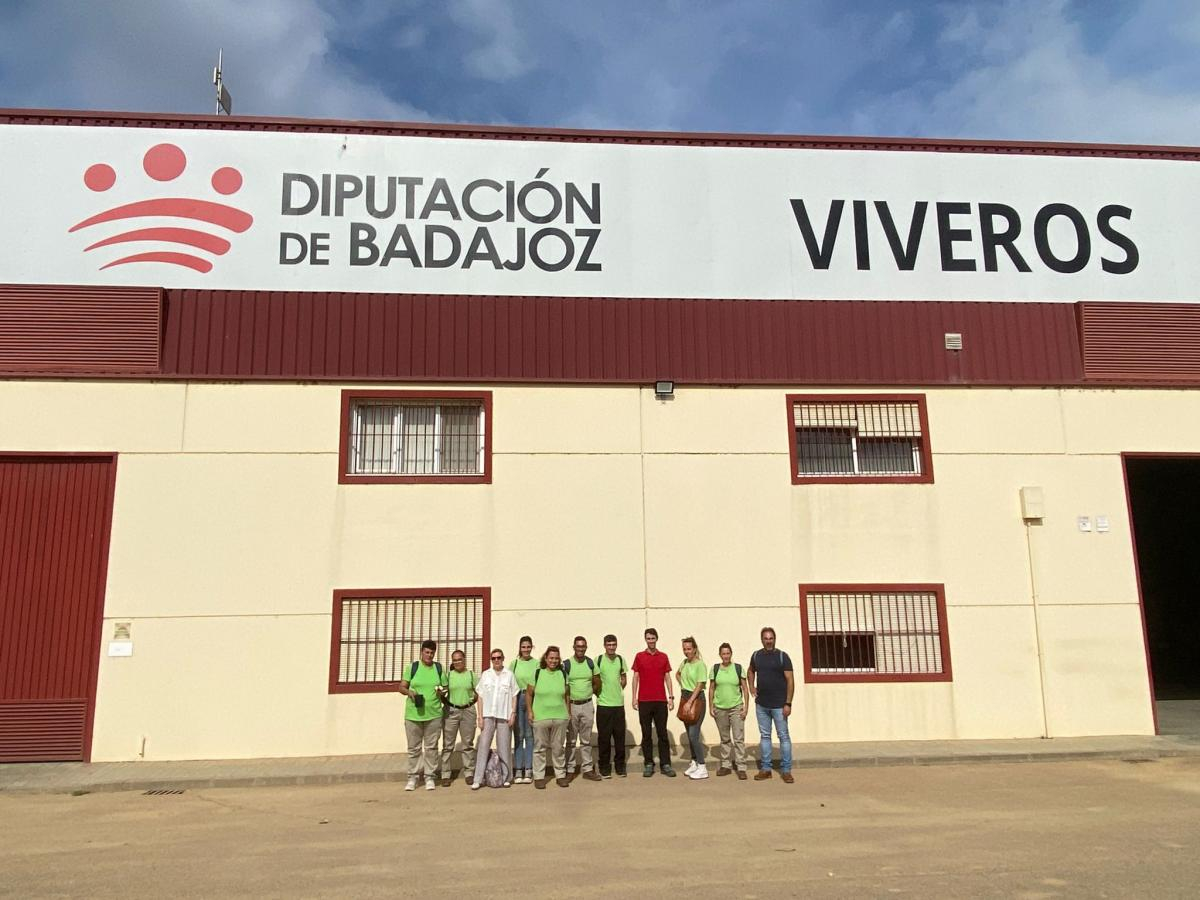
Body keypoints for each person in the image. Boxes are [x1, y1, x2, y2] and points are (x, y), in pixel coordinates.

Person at [747, 627, 795, 783]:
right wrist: (751, 687)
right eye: (766, 638)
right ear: (762, 640)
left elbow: (790, 680)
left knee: (783, 737)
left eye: (771, 638)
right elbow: (750, 671)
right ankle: (766, 769)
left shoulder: (782, 657)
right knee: (765, 736)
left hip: (779, 705)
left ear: (775, 639)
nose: (768, 641)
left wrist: (788, 703)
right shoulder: (756, 656)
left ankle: (786, 771)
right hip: (762, 705)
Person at [399, 639, 448, 792]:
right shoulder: (412, 667)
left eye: (432, 653)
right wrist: (409, 692)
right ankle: (412, 777)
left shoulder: (438, 668)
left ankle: (429, 777)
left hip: (434, 714)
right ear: (422, 652)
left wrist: (441, 692)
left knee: (431, 747)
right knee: (414, 748)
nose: (429, 655)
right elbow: (401, 687)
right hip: (413, 715)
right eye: (427, 652)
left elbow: (445, 687)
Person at [472, 647, 519, 790]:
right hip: (488, 715)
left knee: (504, 746)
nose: (496, 660)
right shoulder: (486, 675)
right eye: (494, 658)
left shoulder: (509, 675)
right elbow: (480, 696)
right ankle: (478, 779)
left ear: (503, 658)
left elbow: (514, 695)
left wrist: (513, 713)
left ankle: (506, 777)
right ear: (491, 660)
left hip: (504, 715)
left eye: (499, 657)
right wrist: (480, 717)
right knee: (483, 746)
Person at [631, 627, 675, 777]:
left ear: (657, 639)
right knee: (646, 734)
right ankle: (648, 763)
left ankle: (665, 764)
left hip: (660, 701)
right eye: (648, 638)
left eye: (653, 638)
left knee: (662, 733)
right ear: (645, 639)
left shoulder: (663, 656)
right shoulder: (639, 656)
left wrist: (671, 697)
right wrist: (634, 697)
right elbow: (635, 677)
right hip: (644, 701)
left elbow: (667, 677)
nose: (650, 641)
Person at [527, 645, 571, 789]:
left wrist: (568, 712)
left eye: (556, 658)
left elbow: (567, 694)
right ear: (545, 658)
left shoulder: (563, 674)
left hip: (560, 716)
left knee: (558, 748)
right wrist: (530, 711)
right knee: (539, 748)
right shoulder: (537, 673)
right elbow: (529, 694)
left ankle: (560, 775)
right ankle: (539, 777)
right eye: (551, 658)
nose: (554, 661)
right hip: (541, 717)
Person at [709, 642, 750, 780]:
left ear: (731, 654)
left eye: (728, 653)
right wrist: (711, 706)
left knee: (738, 739)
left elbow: (745, 688)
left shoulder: (738, 668)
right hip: (720, 708)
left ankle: (741, 767)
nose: (726, 656)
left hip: (736, 707)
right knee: (725, 738)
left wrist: (746, 707)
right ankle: (725, 765)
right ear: (720, 655)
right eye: (723, 653)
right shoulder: (715, 669)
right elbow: (711, 688)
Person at [564, 635, 602, 781]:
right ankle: (570, 769)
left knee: (586, 740)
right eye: (578, 646)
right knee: (571, 741)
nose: (581, 649)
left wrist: (590, 692)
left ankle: (587, 769)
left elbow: (597, 681)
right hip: (572, 706)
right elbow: (564, 687)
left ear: (586, 647)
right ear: (574, 647)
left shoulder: (590, 663)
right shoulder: (567, 664)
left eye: (583, 646)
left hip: (587, 705)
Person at [438, 649, 478, 786]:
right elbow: (443, 693)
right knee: (448, 745)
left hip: (468, 711)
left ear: (464, 659)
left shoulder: (471, 675)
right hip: (451, 711)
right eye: (454, 660)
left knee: (468, 744)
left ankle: (469, 773)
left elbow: (478, 693)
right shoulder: (448, 675)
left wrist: (471, 703)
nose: (457, 662)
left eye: (459, 659)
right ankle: (445, 774)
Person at [594, 633, 628, 778]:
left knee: (620, 738)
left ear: (616, 645)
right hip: (603, 705)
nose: (611, 647)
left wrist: (619, 689)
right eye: (609, 645)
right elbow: (594, 679)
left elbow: (624, 678)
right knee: (604, 738)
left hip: (618, 705)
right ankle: (604, 766)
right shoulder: (598, 660)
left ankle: (620, 766)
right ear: (604, 646)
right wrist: (598, 693)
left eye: (613, 645)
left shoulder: (620, 659)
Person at [676, 636, 709, 780]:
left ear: (694, 649)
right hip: (685, 697)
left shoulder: (700, 664)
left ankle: (702, 767)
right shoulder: (684, 663)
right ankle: (694, 762)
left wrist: (690, 701)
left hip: (696, 700)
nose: (686, 651)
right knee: (690, 734)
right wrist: (683, 685)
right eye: (684, 649)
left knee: (694, 734)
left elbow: (700, 684)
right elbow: (677, 674)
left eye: (689, 649)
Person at [509, 636, 537, 784]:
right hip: (518, 697)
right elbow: (509, 683)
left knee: (529, 735)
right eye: (523, 647)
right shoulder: (514, 664)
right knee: (519, 735)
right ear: (520, 648)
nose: (526, 649)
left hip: (532, 698)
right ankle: (518, 769)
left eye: (528, 647)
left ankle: (529, 769)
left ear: (532, 647)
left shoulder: (537, 664)